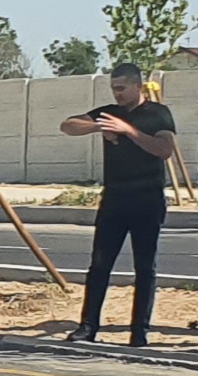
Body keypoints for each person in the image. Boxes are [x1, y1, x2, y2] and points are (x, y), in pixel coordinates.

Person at [58, 63, 179, 346]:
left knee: (145, 267)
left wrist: (128, 131)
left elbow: (165, 150)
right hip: (115, 198)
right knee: (100, 264)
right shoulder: (109, 112)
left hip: (147, 199)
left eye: (122, 88)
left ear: (138, 86)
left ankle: (139, 331)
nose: (118, 93)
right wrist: (98, 126)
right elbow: (68, 125)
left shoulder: (157, 113)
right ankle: (88, 326)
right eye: (114, 88)